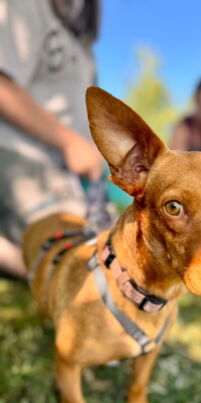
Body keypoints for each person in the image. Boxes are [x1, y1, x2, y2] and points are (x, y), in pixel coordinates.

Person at [0, 0, 104, 279]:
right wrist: (68, 141)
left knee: (125, 249)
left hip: (72, 177)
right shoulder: (24, 6)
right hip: (23, 158)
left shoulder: (81, 40)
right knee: (87, 270)